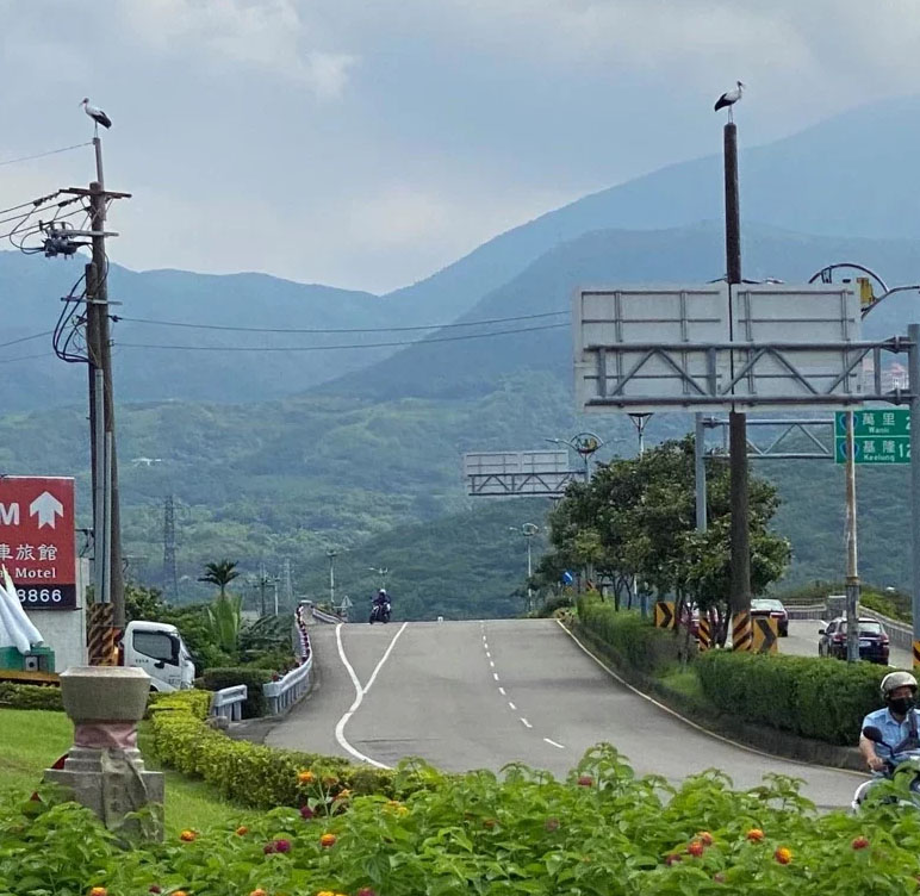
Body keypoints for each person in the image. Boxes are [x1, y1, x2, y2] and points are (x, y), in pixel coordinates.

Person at [859, 671, 920, 773]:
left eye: (907, 694)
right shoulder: (874, 719)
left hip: (917, 774)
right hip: (886, 776)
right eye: (898, 694)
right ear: (888, 698)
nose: (903, 698)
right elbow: (866, 740)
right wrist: (872, 758)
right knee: (869, 789)